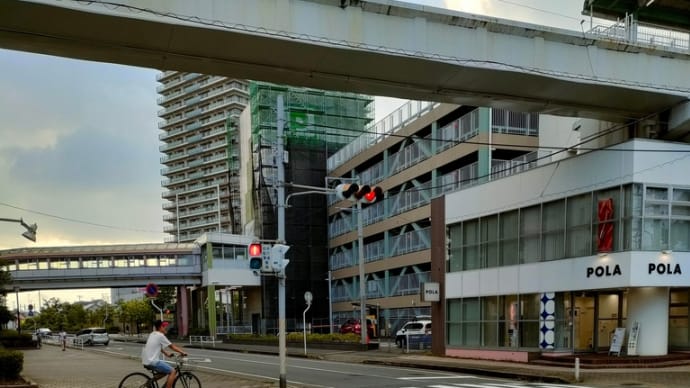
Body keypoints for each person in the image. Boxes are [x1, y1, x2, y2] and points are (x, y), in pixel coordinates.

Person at [141, 320, 187, 388]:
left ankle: (149, 382)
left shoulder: (152, 334)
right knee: (172, 371)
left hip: (146, 360)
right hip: (153, 361)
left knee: (164, 371)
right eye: (164, 326)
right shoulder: (160, 335)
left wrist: (166, 354)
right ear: (160, 327)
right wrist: (182, 352)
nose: (166, 328)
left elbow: (157, 346)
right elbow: (172, 346)